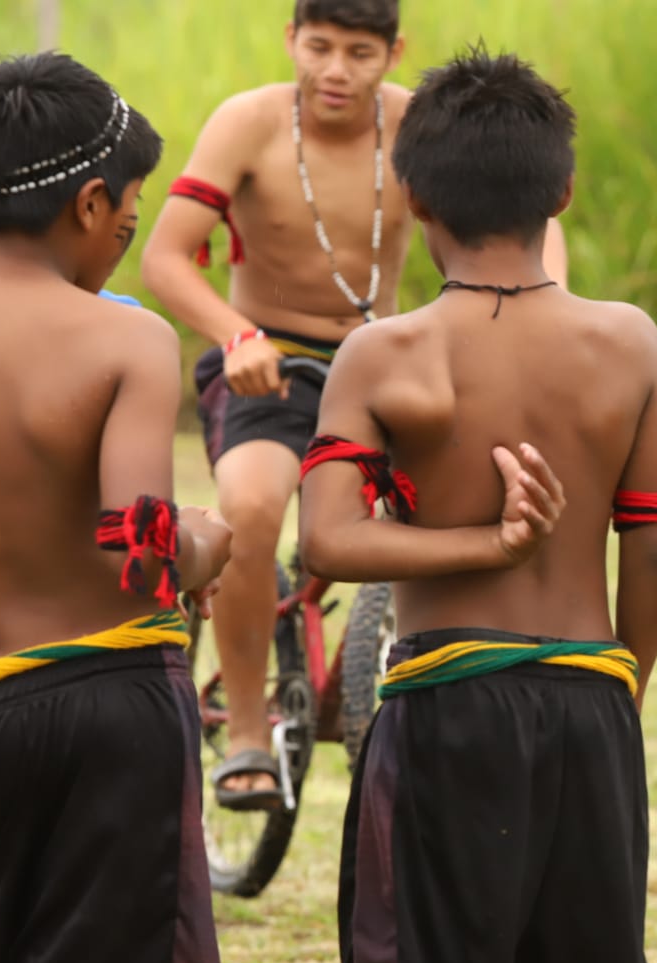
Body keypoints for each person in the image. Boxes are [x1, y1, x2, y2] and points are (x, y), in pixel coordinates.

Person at [298, 46, 657, 963]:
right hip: (587, 703)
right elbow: (650, 550)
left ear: (410, 191)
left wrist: (475, 538)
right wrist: (623, 687)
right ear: (561, 189)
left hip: (444, 708)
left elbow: (328, 538)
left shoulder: (383, 353)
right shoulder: (629, 343)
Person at [141, 0, 572, 811]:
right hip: (267, 362)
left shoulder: (416, 123)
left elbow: (528, 209)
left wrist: (550, 302)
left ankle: (408, 684)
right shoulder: (249, 122)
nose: (337, 70)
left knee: (463, 496)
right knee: (253, 502)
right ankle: (242, 728)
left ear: (394, 51)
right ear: (291, 41)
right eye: (320, 46)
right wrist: (236, 338)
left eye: (361, 53)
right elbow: (165, 260)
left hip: (379, 357)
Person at [0, 53, 233, 963]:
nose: (122, 237)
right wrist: (208, 540)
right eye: (129, 216)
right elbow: (140, 557)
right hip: (102, 709)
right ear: (90, 199)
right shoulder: (126, 344)